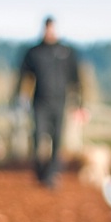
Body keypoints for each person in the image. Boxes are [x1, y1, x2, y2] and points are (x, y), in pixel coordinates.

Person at [12, 17, 83, 188]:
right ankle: (40, 172)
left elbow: (76, 80)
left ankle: (52, 174)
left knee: (57, 140)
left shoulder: (66, 52)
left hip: (60, 103)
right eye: (47, 29)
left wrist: (80, 104)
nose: (49, 32)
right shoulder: (34, 52)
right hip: (40, 103)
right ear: (43, 29)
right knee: (37, 137)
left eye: (51, 29)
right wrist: (18, 98)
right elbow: (23, 76)